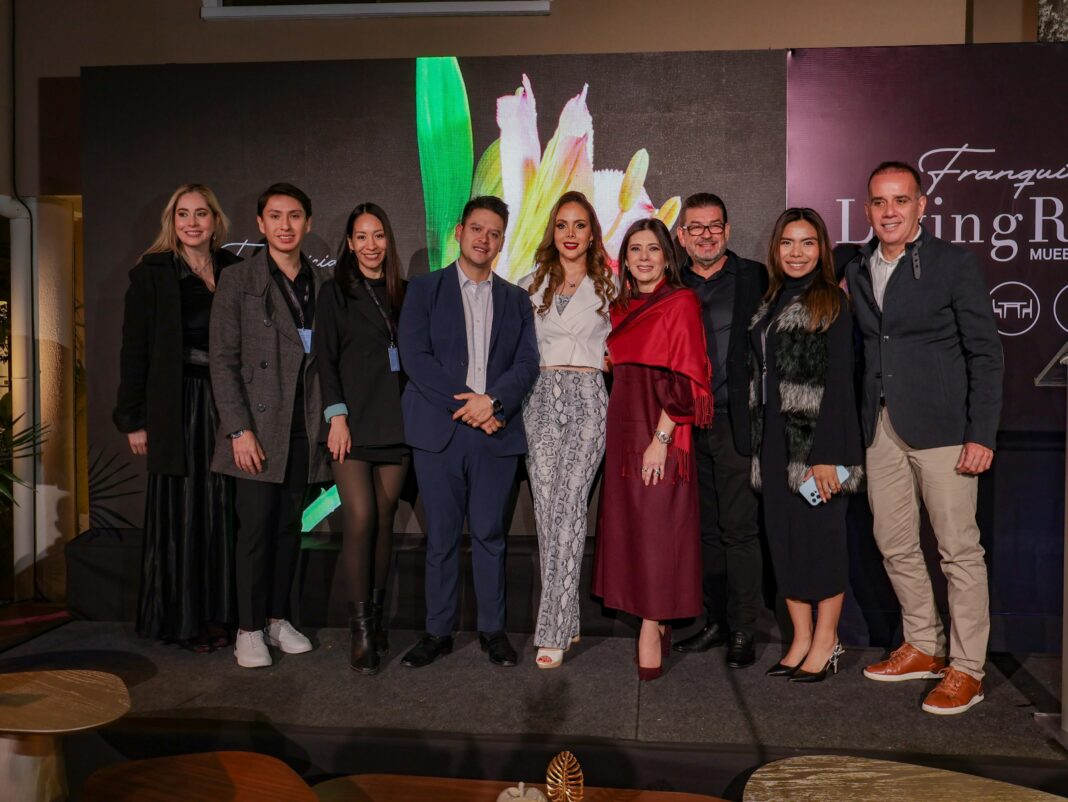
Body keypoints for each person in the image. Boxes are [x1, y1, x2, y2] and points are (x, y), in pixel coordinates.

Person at [845, 162, 1003, 714]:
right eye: (879, 202)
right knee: (894, 544)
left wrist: (980, 432)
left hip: (943, 431)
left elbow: (986, 352)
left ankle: (967, 669)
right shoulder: (858, 265)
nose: (889, 211)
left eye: (900, 200)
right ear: (867, 209)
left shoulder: (954, 264)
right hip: (880, 429)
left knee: (958, 552)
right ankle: (923, 643)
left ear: (921, 206)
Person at [398, 195, 540, 669]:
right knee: (439, 538)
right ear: (459, 232)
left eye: (494, 232)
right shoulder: (423, 289)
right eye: (477, 228)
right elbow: (416, 359)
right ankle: (437, 632)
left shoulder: (517, 299)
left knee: (490, 536)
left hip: (495, 431)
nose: (484, 239)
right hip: (440, 431)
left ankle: (492, 631)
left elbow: (526, 363)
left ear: (503, 241)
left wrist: (492, 403)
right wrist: (470, 405)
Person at [210, 182, 332, 668]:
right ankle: (248, 628)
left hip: (303, 424)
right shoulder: (239, 281)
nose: (285, 225)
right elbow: (222, 360)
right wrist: (239, 430)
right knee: (255, 530)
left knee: (289, 528)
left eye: (295, 216)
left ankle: (279, 618)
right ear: (260, 224)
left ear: (308, 223)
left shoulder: (320, 285)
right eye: (275, 216)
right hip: (257, 429)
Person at [114, 183, 241, 652]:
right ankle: (185, 621)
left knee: (222, 510)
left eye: (201, 214)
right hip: (177, 407)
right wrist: (134, 420)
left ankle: (222, 615)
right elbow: (135, 352)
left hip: (228, 404)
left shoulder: (236, 270)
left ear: (215, 220)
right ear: (172, 222)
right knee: (184, 513)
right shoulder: (150, 275)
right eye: (183, 214)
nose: (192, 222)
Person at [593, 218, 712, 681]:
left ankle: (650, 622)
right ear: (624, 260)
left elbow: (686, 380)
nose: (643, 258)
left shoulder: (680, 303)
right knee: (632, 532)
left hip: (661, 435)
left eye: (653, 250)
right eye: (635, 250)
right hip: (622, 432)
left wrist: (660, 441)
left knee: (660, 532)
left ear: (667, 256)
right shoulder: (620, 308)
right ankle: (654, 615)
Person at [749, 208, 863, 682]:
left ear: (823, 249)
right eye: (788, 244)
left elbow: (841, 384)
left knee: (822, 545)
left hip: (815, 445)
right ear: (776, 250)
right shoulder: (770, 300)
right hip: (771, 442)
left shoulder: (831, 303)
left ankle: (827, 640)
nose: (797, 253)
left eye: (808, 243)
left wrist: (826, 457)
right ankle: (799, 638)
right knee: (785, 544)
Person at [519, 191, 615, 670]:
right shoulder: (528, 285)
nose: (571, 234)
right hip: (539, 403)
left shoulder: (611, 288)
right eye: (562, 225)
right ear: (552, 232)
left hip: (588, 401)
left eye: (579, 225)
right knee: (547, 515)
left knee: (570, 509)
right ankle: (566, 618)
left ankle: (552, 631)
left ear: (592, 233)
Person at [672, 193, 767, 669]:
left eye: (714, 226)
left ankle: (744, 628)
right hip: (684, 427)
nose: (706, 234)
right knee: (704, 532)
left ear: (727, 231)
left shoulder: (756, 277)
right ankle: (716, 622)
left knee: (739, 531)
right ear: (682, 236)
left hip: (736, 423)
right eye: (696, 227)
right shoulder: (671, 283)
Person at [314, 203, 408, 674]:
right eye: (361, 237)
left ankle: (378, 619)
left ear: (388, 241)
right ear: (349, 244)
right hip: (350, 425)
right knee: (361, 516)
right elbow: (325, 361)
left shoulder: (402, 293)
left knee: (386, 518)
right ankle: (361, 629)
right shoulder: (334, 294)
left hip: (397, 425)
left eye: (378, 236)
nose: (371, 245)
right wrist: (336, 416)